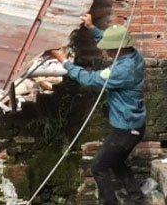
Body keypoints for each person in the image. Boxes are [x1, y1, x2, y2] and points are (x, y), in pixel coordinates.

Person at [50, 13, 147, 205]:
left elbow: (90, 79)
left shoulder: (122, 70)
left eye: (109, 50)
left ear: (118, 48)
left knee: (98, 167)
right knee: (116, 162)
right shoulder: (133, 53)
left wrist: (65, 62)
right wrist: (91, 27)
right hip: (133, 126)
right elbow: (110, 39)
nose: (107, 53)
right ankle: (137, 198)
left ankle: (111, 202)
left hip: (127, 130)